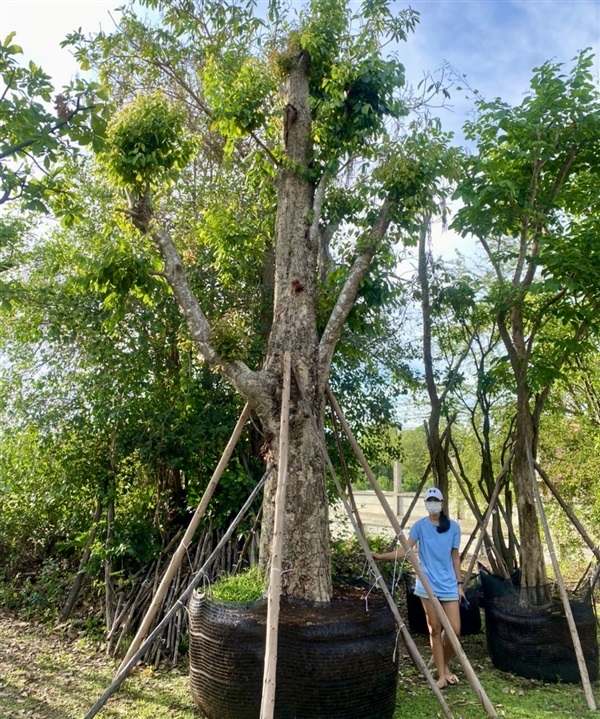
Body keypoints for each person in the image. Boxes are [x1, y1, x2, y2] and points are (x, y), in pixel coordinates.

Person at [372, 486, 465, 690]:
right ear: (426, 503)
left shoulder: (453, 528)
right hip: (426, 584)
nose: (432, 504)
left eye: (435, 500)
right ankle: (441, 675)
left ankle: (445, 664)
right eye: (429, 500)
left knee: (454, 630)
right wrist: (380, 556)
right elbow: (404, 551)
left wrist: (459, 584)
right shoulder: (420, 526)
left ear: (441, 503)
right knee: (435, 628)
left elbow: (455, 557)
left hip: (448, 584)